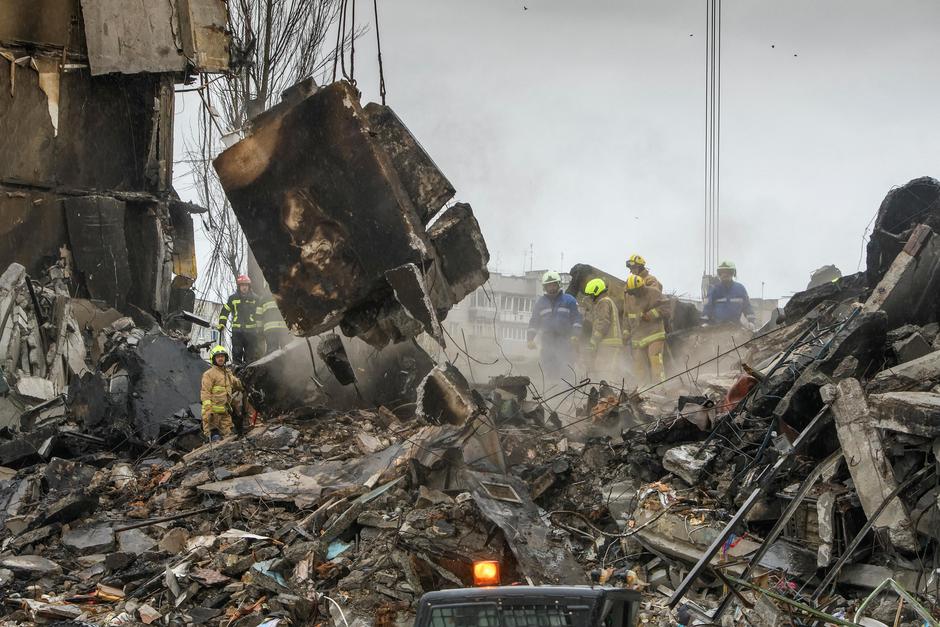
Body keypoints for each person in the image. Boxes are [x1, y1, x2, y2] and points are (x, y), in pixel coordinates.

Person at [527, 271, 583, 384]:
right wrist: (530, 339)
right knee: (548, 370)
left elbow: (577, 320)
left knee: (566, 369)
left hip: (565, 341)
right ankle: (550, 395)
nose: (551, 287)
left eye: (553, 284)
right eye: (548, 285)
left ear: (558, 285)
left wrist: (575, 336)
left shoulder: (569, 300)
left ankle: (567, 396)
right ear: (544, 287)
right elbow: (534, 322)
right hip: (547, 342)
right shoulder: (540, 303)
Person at [622, 275, 667, 385]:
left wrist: (650, 315)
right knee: (638, 366)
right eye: (632, 292)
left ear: (642, 287)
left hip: (654, 334)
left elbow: (666, 308)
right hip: (637, 337)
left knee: (655, 360)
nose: (635, 295)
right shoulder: (628, 297)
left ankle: (660, 388)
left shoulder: (654, 293)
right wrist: (626, 332)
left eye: (637, 291)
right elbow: (626, 316)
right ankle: (642, 390)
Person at [583, 278, 624, 384]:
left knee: (607, 371)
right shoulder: (607, 301)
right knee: (602, 368)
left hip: (609, 343)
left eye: (591, 295)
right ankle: (607, 394)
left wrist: (594, 341)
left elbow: (603, 322)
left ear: (597, 292)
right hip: (608, 343)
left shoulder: (603, 302)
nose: (591, 298)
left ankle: (611, 394)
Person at [200, 345, 244, 441]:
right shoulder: (209, 374)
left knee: (230, 438)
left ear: (225, 358)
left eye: (222, 356)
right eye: (218, 356)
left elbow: (238, 384)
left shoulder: (227, 374)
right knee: (214, 440)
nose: (220, 358)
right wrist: (208, 411)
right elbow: (205, 393)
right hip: (213, 416)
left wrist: (246, 382)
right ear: (213, 359)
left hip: (225, 414)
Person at [218, 275, 260, 364]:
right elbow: (225, 311)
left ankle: (249, 375)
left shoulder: (255, 299)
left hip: (251, 331)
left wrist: (260, 327)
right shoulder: (233, 298)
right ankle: (236, 373)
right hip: (237, 331)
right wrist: (222, 323)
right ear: (239, 286)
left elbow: (260, 314)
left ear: (249, 286)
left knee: (250, 356)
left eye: (246, 285)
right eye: (242, 285)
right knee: (237, 353)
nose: (244, 287)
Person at [703, 260, 756, 327]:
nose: (725, 274)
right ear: (719, 274)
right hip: (716, 328)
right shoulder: (714, 290)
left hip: (736, 326)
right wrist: (705, 323)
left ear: (733, 273)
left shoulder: (740, 289)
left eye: (728, 272)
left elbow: (747, 307)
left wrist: (751, 322)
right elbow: (707, 307)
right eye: (722, 272)